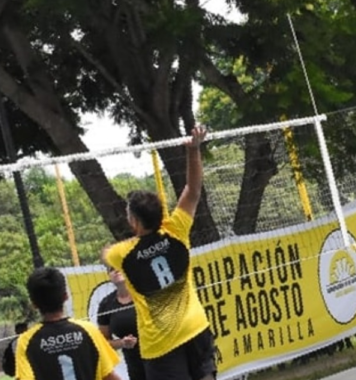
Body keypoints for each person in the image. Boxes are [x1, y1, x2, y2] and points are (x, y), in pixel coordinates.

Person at [103, 125, 216, 380]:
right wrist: (194, 149)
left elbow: (106, 253)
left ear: (134, 223)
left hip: (161, 344)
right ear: (161, 215)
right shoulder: (176, 230)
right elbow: (193, 189)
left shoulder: (122, 253)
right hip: (195, 327)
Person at [15, 267, 121, 380]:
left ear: (33, 304)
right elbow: (108, 376)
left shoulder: (26, 341)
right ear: (66, 296)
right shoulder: (88, 330)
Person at [98, 266, 144, 380]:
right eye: (111, 269)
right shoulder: (106, 304)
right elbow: (104, 343)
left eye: (118, 266)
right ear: (108, 275)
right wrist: (122, 343)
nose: (116, 271)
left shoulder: (144, 293)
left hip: (159, 356)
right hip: (134, 363)